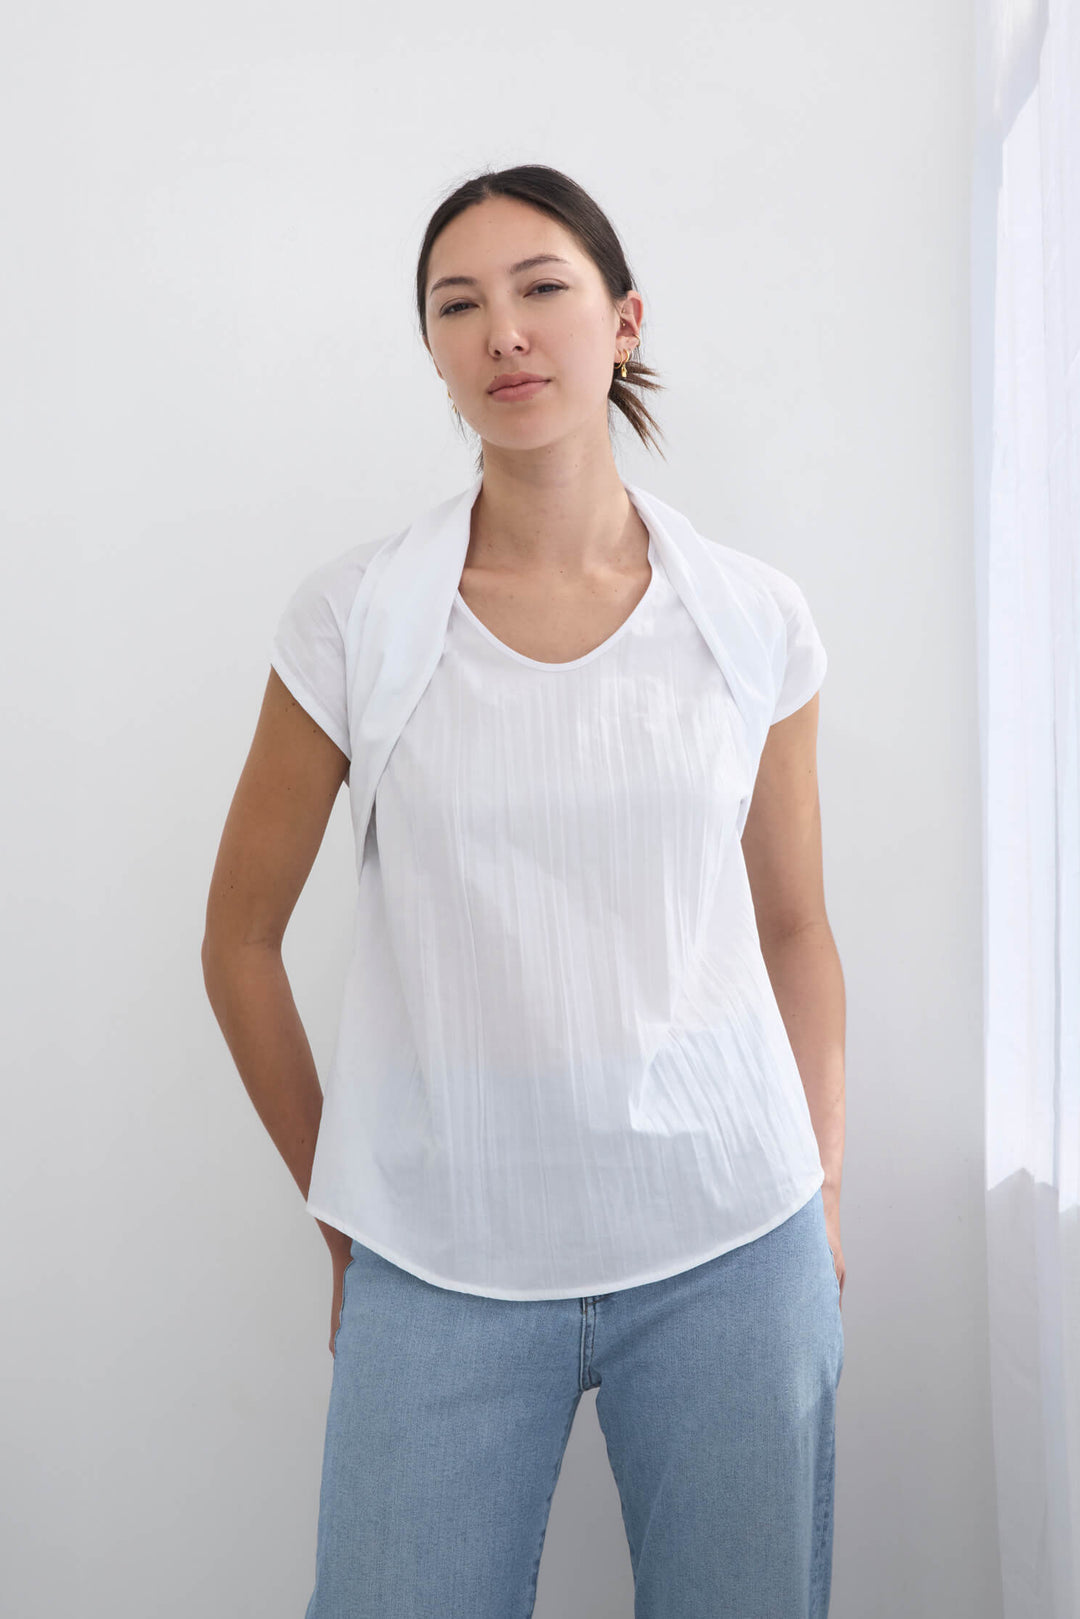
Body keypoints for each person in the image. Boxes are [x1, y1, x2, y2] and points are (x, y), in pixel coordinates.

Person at [202, 162, 846, 1619]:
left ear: (622, 321)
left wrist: (819, 1178)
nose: (504, 331)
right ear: (432, 353)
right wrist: (344, 1213)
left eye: (542, 288)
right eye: (458, 304)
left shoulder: (752, 619)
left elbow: (798, 927)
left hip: (735, 1244)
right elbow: (237, 941)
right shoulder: (355, 621)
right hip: (440, 1259)